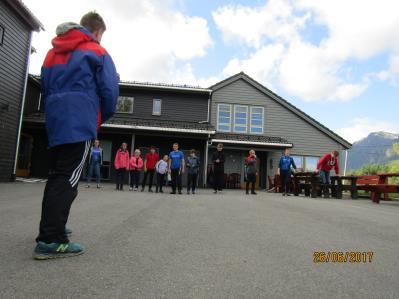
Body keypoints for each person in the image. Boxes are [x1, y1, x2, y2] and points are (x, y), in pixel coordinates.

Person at [34, 12, 119, 260]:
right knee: (68, 179)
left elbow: (45, 86)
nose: (101, 40)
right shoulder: (97, 51)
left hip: (56, 120)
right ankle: (51, 239)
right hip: (79, 120)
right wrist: (96, 119)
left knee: (56, 175)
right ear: (96, 31)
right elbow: (110, 91)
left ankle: (52, 227)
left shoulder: (52, 53)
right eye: (101, 35)